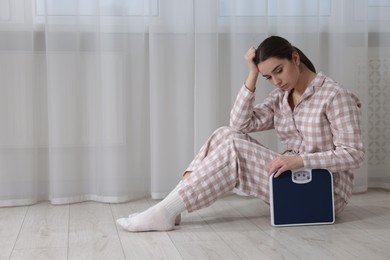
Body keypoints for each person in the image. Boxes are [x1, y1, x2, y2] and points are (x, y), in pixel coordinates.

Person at [116, 35, 365, 232]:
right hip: (288, 180)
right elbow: (238, 124)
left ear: (295, 58)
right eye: (269, 76)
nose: (276, 81)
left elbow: (353, 154)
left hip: (323, 192)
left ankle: (165, 210)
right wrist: (252, 74)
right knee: (225, 134)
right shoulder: (281, 97)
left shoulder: (334, 95)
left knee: (235, 148)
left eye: (279, 70)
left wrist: (299, 160)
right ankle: (169, 209)